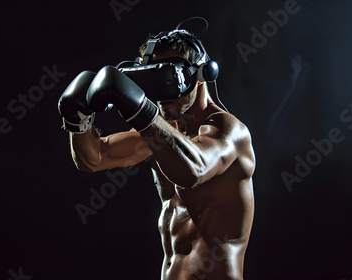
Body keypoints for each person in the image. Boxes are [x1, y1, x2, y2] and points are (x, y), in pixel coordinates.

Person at [58, 24, 255, 280]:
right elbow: (93, 158)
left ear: (200, 75)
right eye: (152, 79)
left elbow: (192, 170)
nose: (161, 93)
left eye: (168, 78)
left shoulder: (229, 131)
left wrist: (141, 111)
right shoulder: (161, 131)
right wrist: (78, 121)